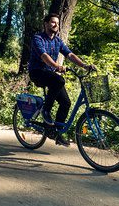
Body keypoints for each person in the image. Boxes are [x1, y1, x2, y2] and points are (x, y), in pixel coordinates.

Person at [28, 13, 95, 146]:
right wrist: (57, 66)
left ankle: (56, 133)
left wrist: (84, 65)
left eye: (57, 23)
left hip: (50, 75)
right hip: (37, 73)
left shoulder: (57, 41)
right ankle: (45, 110)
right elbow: (44, 56)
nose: (56, 25)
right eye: (53, 22)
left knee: (66, 103)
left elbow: (69, 54)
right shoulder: (38, 38)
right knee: (59, 80)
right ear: (46, 23)